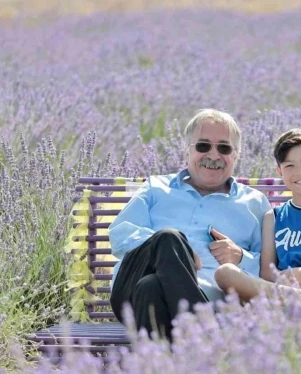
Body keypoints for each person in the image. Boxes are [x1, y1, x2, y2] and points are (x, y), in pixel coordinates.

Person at [109, 109, 271, 341]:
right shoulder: (156, 188)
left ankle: (161, 368)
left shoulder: (254, 203)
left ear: (237, 155)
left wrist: (240, 257)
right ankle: (204, 335)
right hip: (129, 294)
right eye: (203, 146)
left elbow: (268, 271)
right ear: (186, 150)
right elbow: (120, 234)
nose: (213, 155)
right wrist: (173, 252)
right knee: (168, 239)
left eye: (224, 148)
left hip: (199, 298)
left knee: (152, 286)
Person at [214, 128, 301, 302]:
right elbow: (267, 274)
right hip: (282, 293)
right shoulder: (273, 217)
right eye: (290, 166)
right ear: (280, 172)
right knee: (225, 274)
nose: (300, 172)